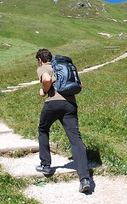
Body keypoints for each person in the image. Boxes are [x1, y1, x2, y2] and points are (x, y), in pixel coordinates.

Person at [35, 49, 91, 193]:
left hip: (53, 104)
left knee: (43, 129)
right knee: (75, 139)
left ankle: (45, 165)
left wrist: (45, 90)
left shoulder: (43, 68)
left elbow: (46, 79)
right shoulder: (63, 66)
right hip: (70, 105)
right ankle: (84, 178)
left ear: (40, 59)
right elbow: (80, 84)